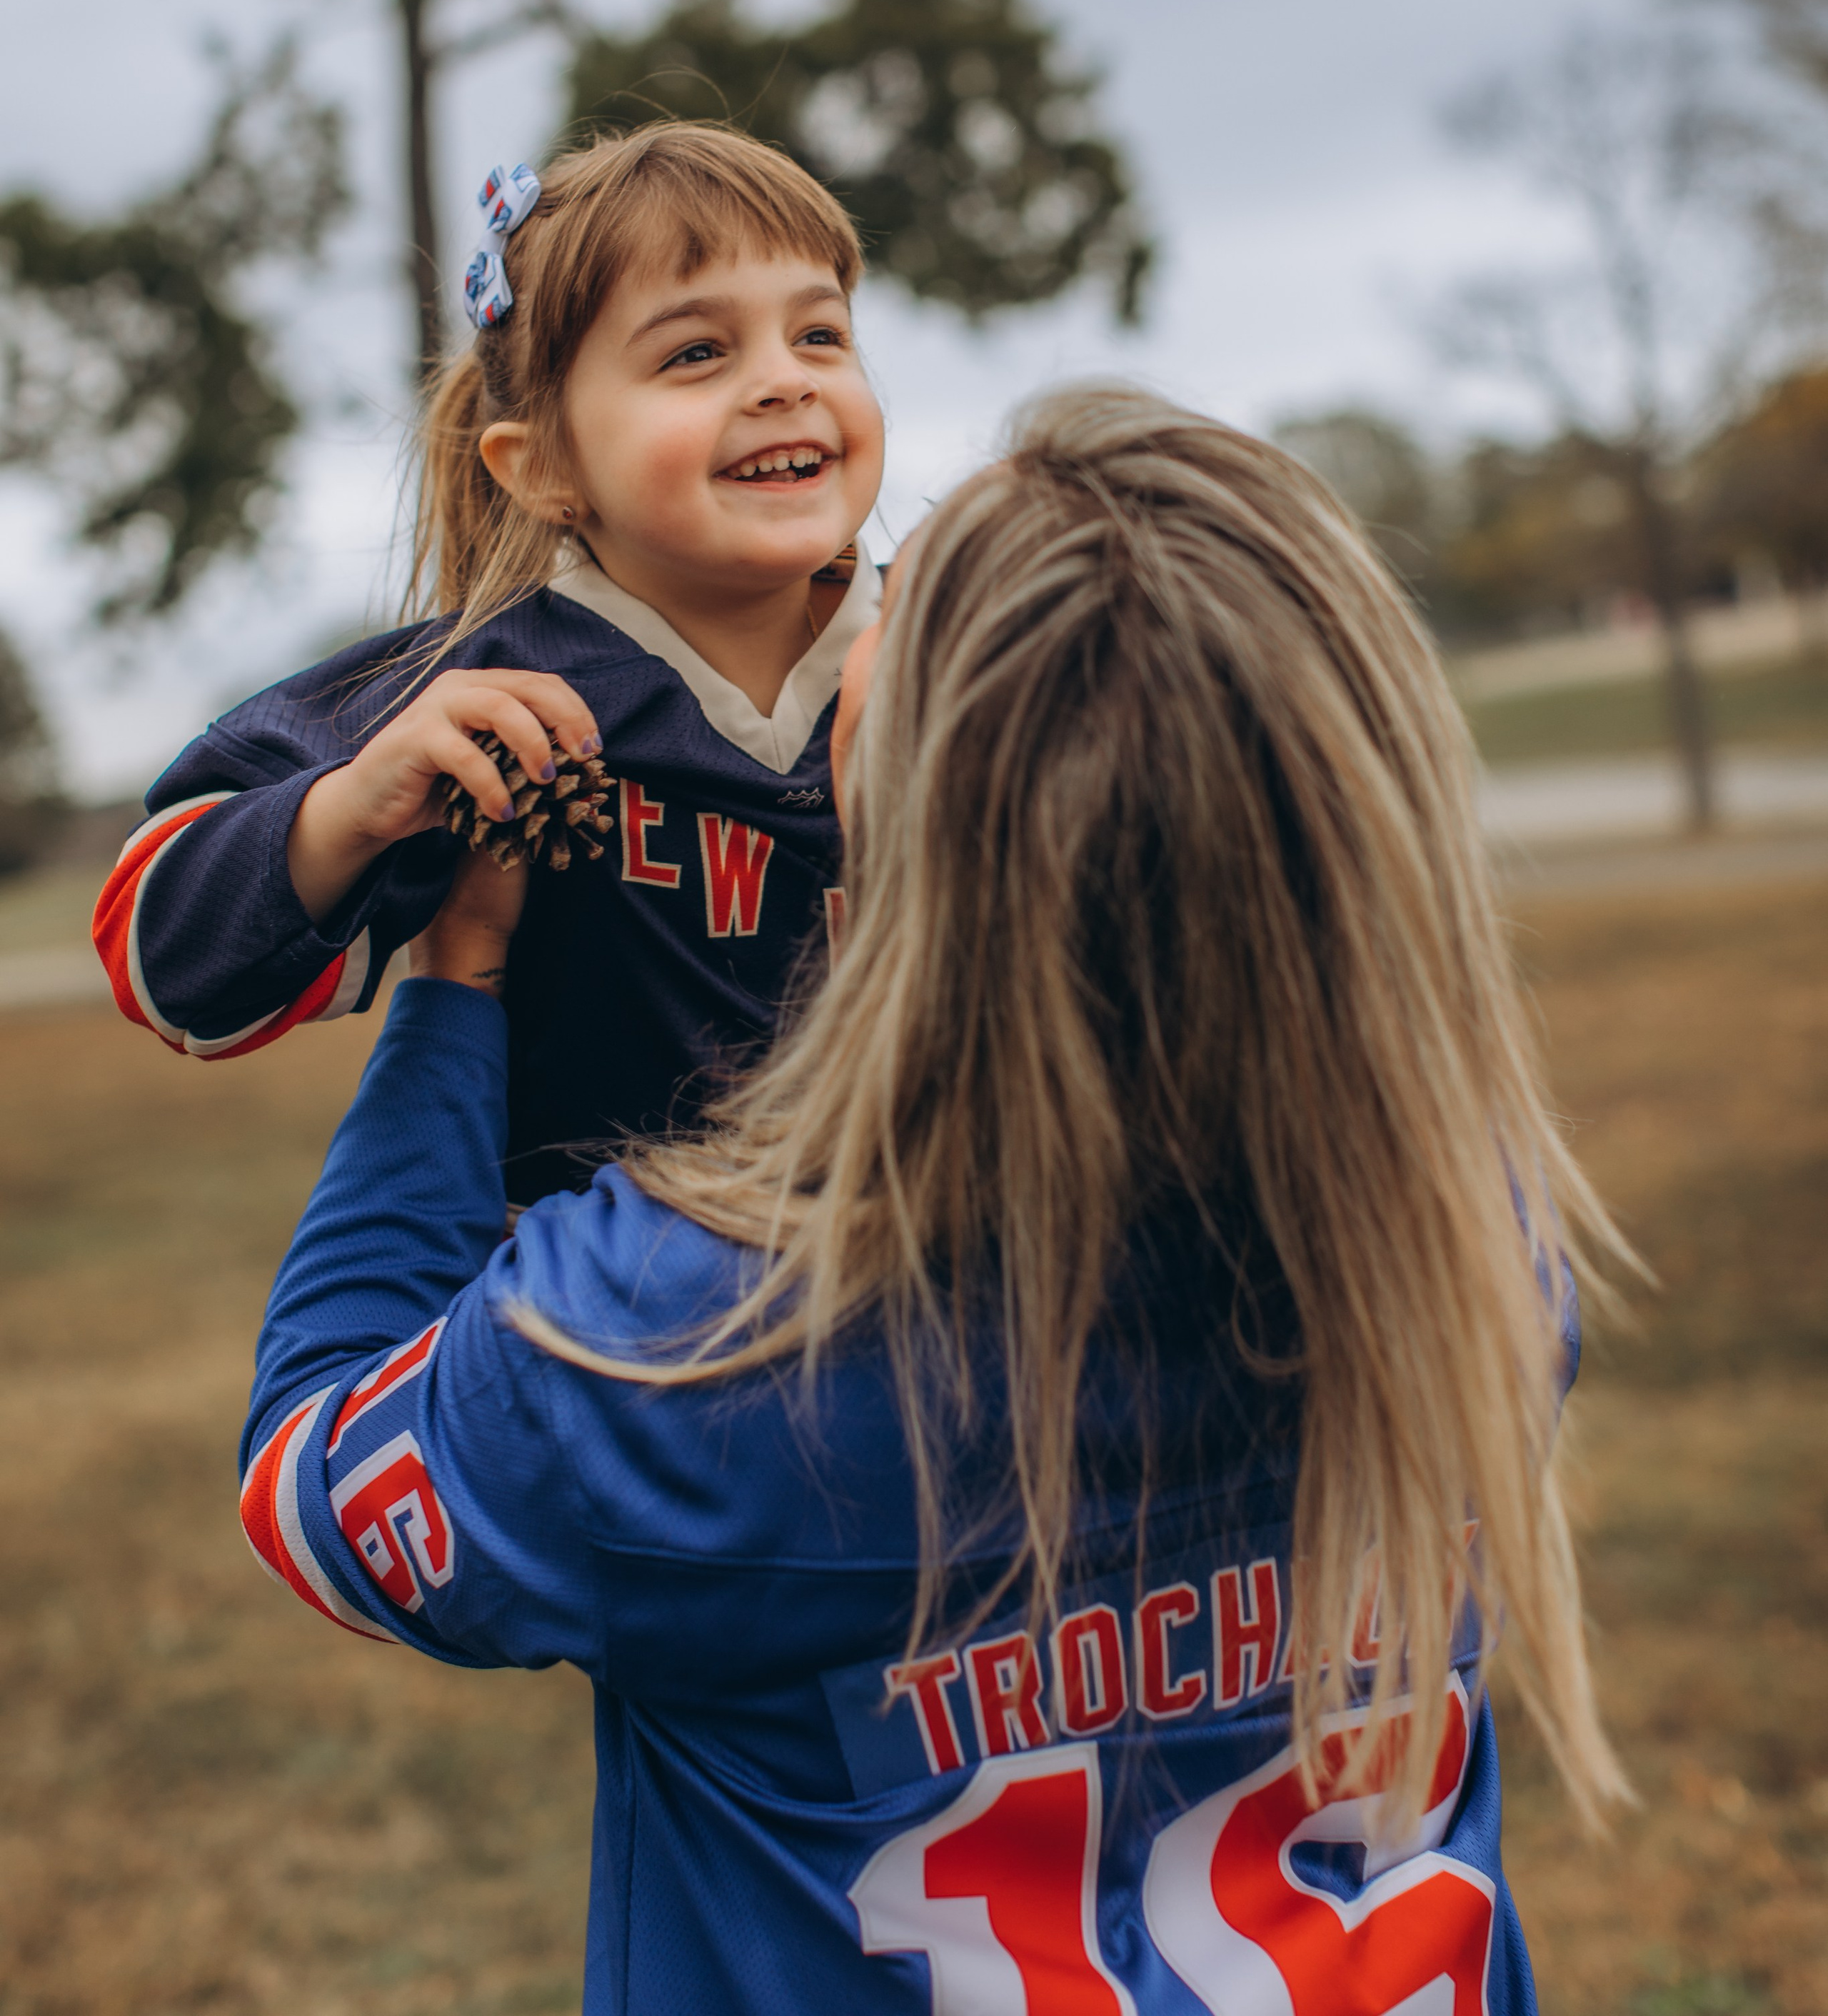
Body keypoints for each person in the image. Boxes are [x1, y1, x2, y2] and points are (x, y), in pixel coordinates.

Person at [241, 382, 1627, 2014]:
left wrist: (455, 980)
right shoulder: (1475, 1251)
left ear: (917, 804)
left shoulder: (683, 1344)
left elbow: (314, 1473)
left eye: (882, 624)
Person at [94, 123, 886, 1196]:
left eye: (821, 336)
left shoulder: (965, 646)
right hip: (603, 1332)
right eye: (698, 352)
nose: (784, 381)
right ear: (545, 466)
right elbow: (164, 961)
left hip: (940, 1304)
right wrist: (353, 804)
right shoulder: (483, 695)